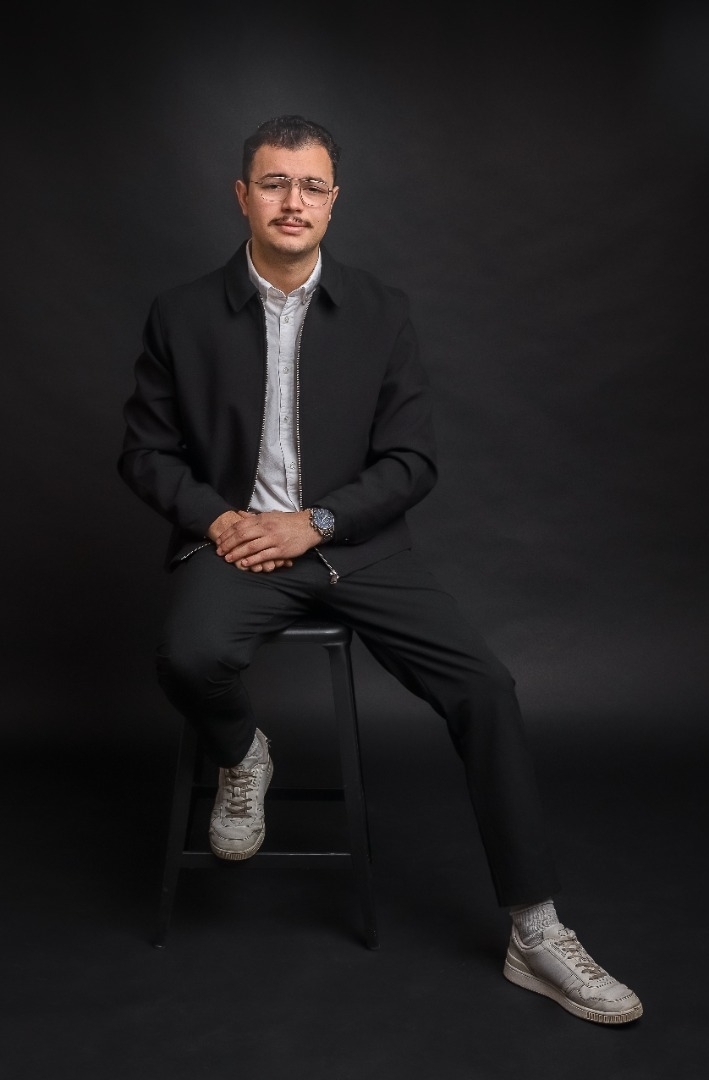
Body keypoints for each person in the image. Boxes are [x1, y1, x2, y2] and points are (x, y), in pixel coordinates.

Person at [118, 114, 642, 1025]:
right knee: (190, 655)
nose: (293, 201)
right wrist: (224, 518)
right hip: (238, 543)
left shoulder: (382, 309)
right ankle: (243, 754)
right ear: (242, 196)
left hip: (355, 548)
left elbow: (411, 461)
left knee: (487, 688)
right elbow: (145, 452)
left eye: (311, 185)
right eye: (274, 183)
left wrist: (315, 523)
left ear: (333, 201)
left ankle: (535, 930)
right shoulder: (182, 312)